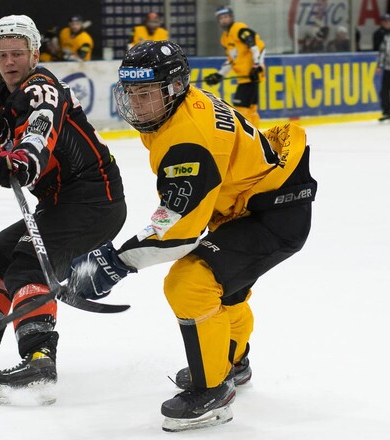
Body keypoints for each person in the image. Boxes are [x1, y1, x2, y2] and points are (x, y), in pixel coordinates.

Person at [67, 40, 316, 432]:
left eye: (146, 93)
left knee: (191, 283)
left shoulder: (189, 139)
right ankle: (232, 361)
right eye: (130, 92)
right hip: (252, 203)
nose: (136, 104)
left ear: (175, 87)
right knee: (228, 288)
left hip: (273, 213)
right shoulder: (178, 107)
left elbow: (178, 228)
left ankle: (212, 393)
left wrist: (117, 262)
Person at [0, 15, 126, 405]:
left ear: (35, 54)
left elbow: (39, 136)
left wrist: (18, 159)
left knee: (27, 266)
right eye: (1, 54)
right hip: (58, 204)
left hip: (95, 201)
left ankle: (39, 362)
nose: (9, 61)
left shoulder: (42, 89)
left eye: (18, 53)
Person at [205, 6, 265, 128]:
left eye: (226, 17)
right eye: (221, 18)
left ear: (231, 17)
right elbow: (231, 60)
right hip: (243, 78)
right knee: (250, 109)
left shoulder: (239, 29)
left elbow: (256, 47)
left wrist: (256, 65)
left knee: (241, 108)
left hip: (250, 76)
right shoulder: (224, 38)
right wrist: (219, 75)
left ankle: (247, 134)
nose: (224, 20)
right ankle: (255, 133)